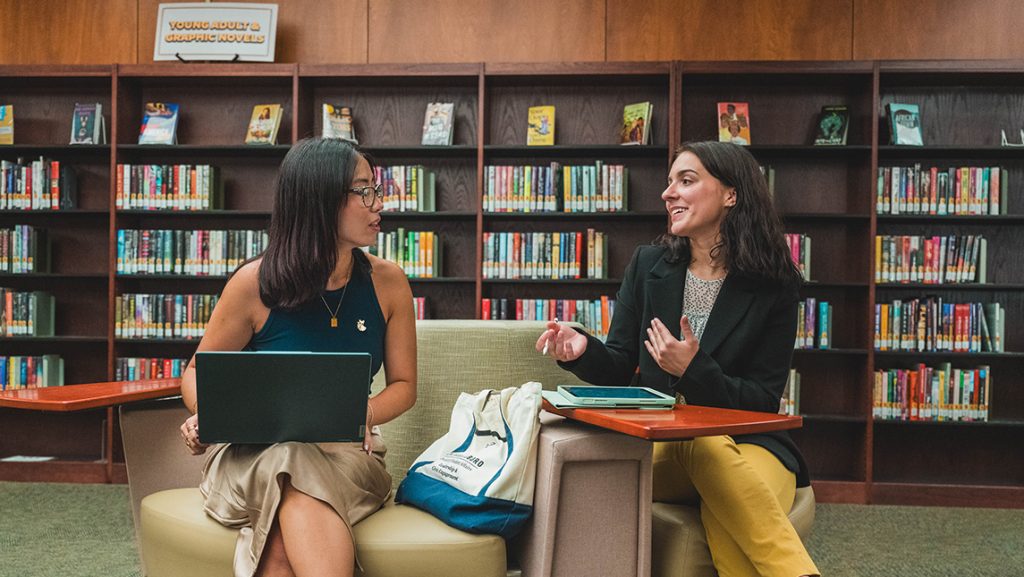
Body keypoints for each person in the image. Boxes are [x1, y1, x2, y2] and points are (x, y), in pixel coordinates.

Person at [537, 141, 819, 577]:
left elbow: (762, 402)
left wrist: (693, 370)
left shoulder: (775, 285)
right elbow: (618, 362)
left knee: (727, 506)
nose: (668, 193)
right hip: (662, 448)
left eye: (685, 181)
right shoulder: (649, 266)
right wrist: (582, 350)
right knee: (704, 451)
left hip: (749, 444)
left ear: (731, 194)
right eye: (669, 182)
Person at [178, 137, 417, 577]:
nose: (378, 202)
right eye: (363, 191)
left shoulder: (388, 283)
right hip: (250, 457)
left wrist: (363, 411)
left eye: (376, 189)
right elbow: (196, 372)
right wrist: (208, 412)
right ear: (320, 202)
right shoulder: (253, 285)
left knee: (285, 514)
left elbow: (404, 386)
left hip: (346, 456)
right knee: (288, 457)